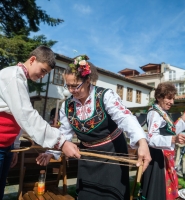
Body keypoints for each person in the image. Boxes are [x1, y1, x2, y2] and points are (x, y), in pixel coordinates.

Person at [36, 54, 151, 200]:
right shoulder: (67, 105)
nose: (71, 90)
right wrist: (50, 152)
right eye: (68, 86)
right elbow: (64, 132)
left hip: (112, 153)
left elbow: (125, 117)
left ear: (88, 80)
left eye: (75, 85)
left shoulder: (105, 96)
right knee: (87, 195)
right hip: (87, 156)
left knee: (112, 195)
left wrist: (142, 142)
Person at [0, 45, 80, 199]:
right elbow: (26, 116)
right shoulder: (13, 76)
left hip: (6, 146)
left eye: (46, 73)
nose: (43, 76)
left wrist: (15, 146)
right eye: (43, 70)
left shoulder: (20, 79)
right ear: (32, 60)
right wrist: (61, 142)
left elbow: (18, 118)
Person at [140, 82, 185, 200]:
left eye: (173, 99)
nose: (172, 102)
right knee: (158, 192)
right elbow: (151, 138)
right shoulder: (154, 113)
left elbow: (171, 131)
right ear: (159, 97)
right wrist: (173, 139)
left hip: (164, 158)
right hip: (157, 158)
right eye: (169, 98)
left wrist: (183, 118)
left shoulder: (162, 112)